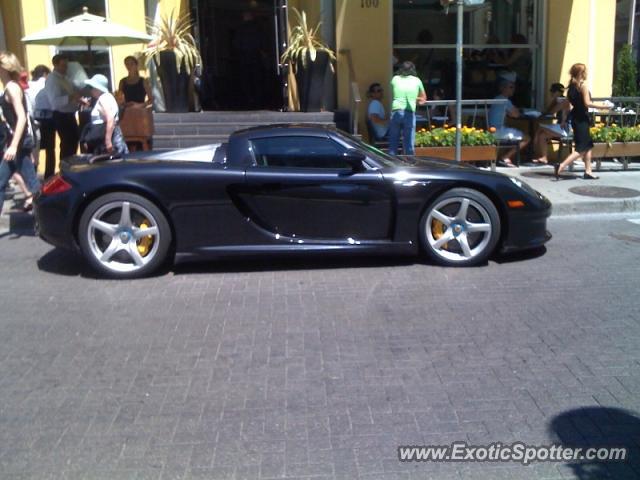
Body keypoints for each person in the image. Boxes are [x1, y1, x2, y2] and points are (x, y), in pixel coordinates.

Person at [0, 51, 40, 214]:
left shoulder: (12, 87)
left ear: (4, 67)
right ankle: (50, 214)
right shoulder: (10, 86)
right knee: (33, 184)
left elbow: (22, 117)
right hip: (20, 142)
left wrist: (14, 146)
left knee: (1, 182)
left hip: (19, 143)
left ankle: (54, 215)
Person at [555, 63, 610, 180]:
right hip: (582, 119)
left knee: (588, 145)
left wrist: (564, 120)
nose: (586, 73)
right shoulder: (582, 87)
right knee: (581, 148)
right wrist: (603, 107)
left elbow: (566, 106)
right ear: (581, 73)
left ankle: (588, 171)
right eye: (584, 71)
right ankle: (561, 166)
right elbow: (587, 103)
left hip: (575, 118)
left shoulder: (571, 88)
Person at [44, 54, 81, 160]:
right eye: (63, 65)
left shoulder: (65, 78)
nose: (66, 68)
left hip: (70, 114)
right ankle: (65, 168)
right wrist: (71, 97)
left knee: (73, 141)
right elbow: (54, 102)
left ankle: (70, 165)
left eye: (66, 65)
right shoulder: (52, 80)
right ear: (55, 65)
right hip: (61, 116)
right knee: (67, 144)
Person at [82, 74, 128, 156]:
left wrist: (108, 141)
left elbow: (110, 118)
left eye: (91, 87)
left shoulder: (103, 99)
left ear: (98, 88)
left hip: (107, 141)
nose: (91, 90)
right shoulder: (107, 97)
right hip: (108, 139)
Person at [488, 78, 529, 167]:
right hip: (498, 131)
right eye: (510, 87)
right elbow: (516, 115)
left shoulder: (497, 98)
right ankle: (505, 158)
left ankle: (504, 157)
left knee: (513, 133)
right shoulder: (504, 100)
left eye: (513, 87)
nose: (513, 89)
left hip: (492, 129)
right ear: (503, 88)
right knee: (526, 138)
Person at [388, 61, 426, 155]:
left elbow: (394, 91)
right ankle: (410, 165)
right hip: (408, 113)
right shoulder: (417, 80)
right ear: (412, 70)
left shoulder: (395, 79)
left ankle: (391, 166)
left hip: (396, 112)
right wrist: (414, 99)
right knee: (409, 144)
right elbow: (423, 99)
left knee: (393, 144)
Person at [532, 83, 571, 164]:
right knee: (542, 135)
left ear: (559, 92)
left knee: (540, 127)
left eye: (553, 92)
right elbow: (547, 111)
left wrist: (554, 101)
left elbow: (551, 112)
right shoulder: (558, 100)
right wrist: (553, 101)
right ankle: (544, 157)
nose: (551, 93)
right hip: (559, 127)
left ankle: (534, 143)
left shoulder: (563, 101)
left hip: (565, 128)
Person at [29, 64, 55, 178]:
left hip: (33, 118)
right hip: (48, 118)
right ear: (45, 74)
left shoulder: (29, 85)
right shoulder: (47, 84)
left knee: (35, 147)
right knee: (50, 149)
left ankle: (32, 173)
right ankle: (49, 175)